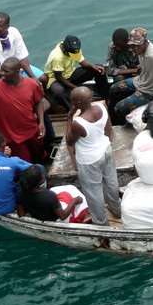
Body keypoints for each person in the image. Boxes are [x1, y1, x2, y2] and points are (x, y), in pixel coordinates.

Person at [65, 87, 120, 225]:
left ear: (77, 103)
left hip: (89, 160)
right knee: (111, 183)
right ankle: (117, 210)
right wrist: (106, 143)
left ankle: (102, 224)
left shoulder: (79, 123)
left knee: (94, 193)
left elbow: (69, 140)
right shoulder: (101, 108)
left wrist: (69, 117)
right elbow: (108, 129)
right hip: (106, 149)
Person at [42, 34, 109, 110]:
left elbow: (81, 60)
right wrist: (75, 88)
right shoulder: (57, 58)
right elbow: (58, 77)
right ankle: (72, 109)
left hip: (70, 74)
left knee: (99, 69)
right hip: (56, 79)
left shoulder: (73, 47)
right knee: (58, 92)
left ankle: (103, 95)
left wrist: (93, 66)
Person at [0, 12, 36, 82]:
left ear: (7, 27)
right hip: (0, 74)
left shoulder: (14, 32)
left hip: (18, 71)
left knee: (43, 79)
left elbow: (22, 57)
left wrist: (33, 77)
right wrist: (10, 75)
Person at [17, 165, 82, 222]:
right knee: (72, 190)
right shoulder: (49, 196)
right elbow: (63, 216)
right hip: (57, 221)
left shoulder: (20, 192)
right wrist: (73, 201)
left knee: (56, 190)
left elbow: (21, 214)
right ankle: (85, 215)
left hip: (38, 217)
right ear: (42, 178)